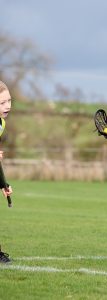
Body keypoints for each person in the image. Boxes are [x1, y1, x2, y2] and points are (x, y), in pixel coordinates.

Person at [0, 80, 13, 263]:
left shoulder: (1, 123)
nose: (8, 106)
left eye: (9, 100)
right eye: (2, 103)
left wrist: (3, 184)